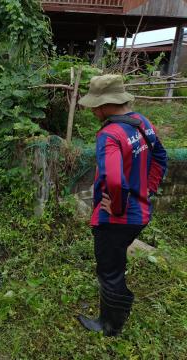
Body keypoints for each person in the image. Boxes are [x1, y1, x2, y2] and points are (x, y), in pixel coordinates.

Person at [76, 74, 168, 336]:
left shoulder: (110, 134)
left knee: (109, 270)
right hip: (140, 214)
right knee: (115, 264)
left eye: (95, 105)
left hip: (117, 220)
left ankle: (110, 325)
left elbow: (114, 180)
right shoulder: (141, 122)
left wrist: (117, 207)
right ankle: (118, 308)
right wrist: (147, 189)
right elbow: (161, 156)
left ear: (105, 104)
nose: (93, 110)